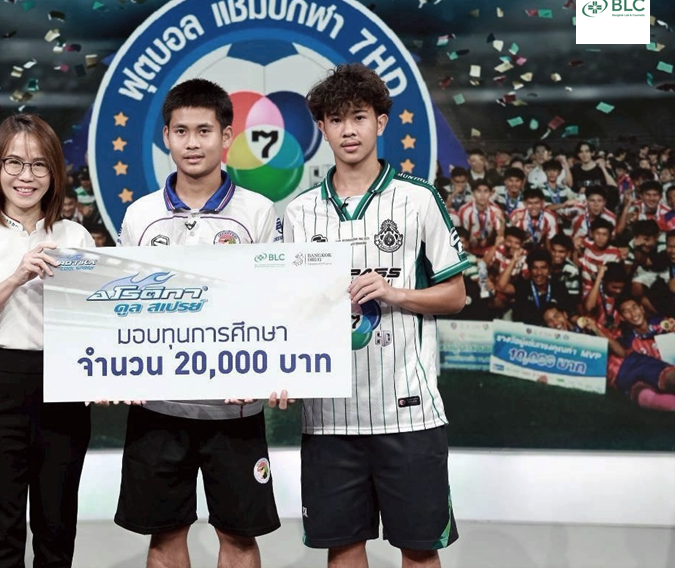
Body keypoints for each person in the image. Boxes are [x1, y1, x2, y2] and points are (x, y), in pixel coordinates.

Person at [284, 64, 467, 568]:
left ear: (380, 122)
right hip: (329, 419)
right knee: (343, 549)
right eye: (336, 119)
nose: (348, 130)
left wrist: (395, 293)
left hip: (409, 412)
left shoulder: (418, 198)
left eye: (359, 117)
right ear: (321, 128)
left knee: (419, 550)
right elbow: (291, 313)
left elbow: (456, 296)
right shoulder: (299, 213)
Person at [115, 79, 282, 568]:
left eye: (204, 131)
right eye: (181, 131)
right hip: (157, 406)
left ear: (226, 137)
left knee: (239, 538)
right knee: (165, 537)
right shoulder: (140, 216)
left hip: (235, 409)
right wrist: (117, 369)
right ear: (166, 136)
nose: (192, 143)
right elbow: (122, 307)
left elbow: (275, 303)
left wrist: (271, 370)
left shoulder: (257, 212)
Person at [0, 113, 95, 568]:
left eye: (39, 165)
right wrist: (15, 277)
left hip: (63, 387)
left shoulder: (75, 236)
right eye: (14, 163)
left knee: (56, 529)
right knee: (0, 531)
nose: (26, 176)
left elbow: (96, 321)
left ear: (54, 173)